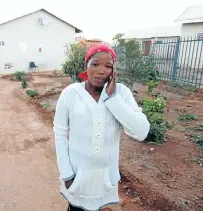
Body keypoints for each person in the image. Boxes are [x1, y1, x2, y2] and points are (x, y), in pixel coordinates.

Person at [53, 44, 150, 211]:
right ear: (86, 66)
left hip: (104, 176)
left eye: (108, 66)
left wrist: (113, 99)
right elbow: (60, 134)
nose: (101, 71)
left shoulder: (121, 93)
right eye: (95, 64)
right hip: (77, 175)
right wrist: (67, 173)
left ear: (113, 71)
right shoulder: (70, 94)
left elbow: (141, 132)